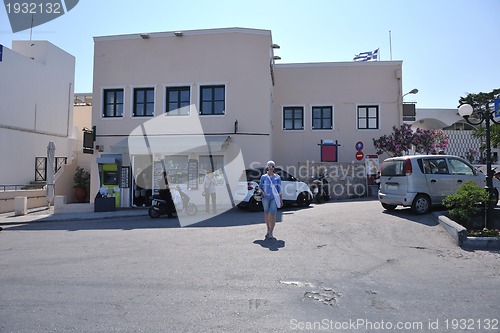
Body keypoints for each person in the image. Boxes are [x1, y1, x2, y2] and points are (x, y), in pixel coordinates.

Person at [259, 160, 282, 240]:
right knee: (266, 214)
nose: (270, 168)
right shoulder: (264, 177)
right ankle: (268, 229)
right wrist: (263, 192)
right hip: (265, 198)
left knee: (273, 214)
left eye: (272, 166)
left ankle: (271, 232)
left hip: (274, 198)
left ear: (274, 167)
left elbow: (279, 190)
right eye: (269, 166)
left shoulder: (277, 177)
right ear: (267, 167)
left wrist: (280, 200)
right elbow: (260, 187)